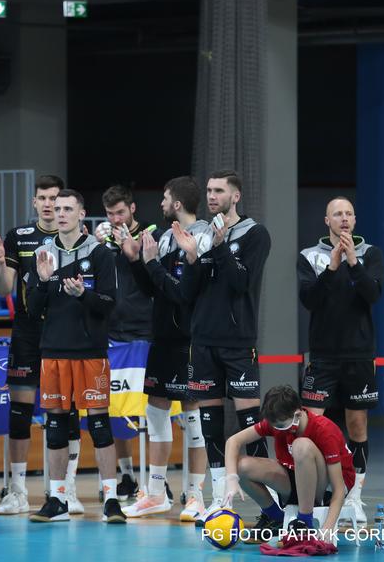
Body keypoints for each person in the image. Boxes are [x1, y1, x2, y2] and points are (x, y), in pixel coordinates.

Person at [173, 168, 271, 523]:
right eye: (209, 191)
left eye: (219, 191)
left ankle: (273, 505)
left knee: (252, 423)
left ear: (235, 196)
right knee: (210, 425)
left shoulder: (255, 234)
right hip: (203, 343)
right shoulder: (201, 235)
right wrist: (191, 257)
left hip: (238, 343)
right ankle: (219, 499)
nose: (212, 196)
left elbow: (241, 282)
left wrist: (219, 248)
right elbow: (187, 294)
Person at [25, 189, 126, 524]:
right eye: (57, 208)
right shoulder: (42, 254)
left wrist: (84, 294)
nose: (61, 213)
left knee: (99, 426)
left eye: (68, 208)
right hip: (53, 351)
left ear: (82, 214)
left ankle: (111, 500)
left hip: (90, 352)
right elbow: (32, 309)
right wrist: (42, 282)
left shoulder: (99, 253)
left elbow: (110, 304)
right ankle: (57, 499)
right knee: (55, 427)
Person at [0, 175, 85, 515]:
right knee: (20, 413)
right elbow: (5, 288)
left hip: (64, 335)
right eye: (42, 198)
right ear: (34, 202)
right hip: (27, 334)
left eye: (54, 199)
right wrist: (0, 264)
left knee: (67, 413)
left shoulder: (78, 239)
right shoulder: (19, 236)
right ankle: (17, 491)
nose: (48, 204)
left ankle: (67, 490)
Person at [117, 176, 211, 521]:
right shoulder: (166, 236)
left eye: (165, 198)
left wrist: (153, 263)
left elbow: (182, 293)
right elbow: (154, 290)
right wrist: (136, 261)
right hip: (163, 337)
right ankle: (156, 493)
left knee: (192, 417)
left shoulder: (201, 236)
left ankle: (195, 495)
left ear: (177, 203)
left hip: (190, 340)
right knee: (155, 411)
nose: (160, 203)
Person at [297, 196, 384, 524]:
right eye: (337, 214)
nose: (344, 218)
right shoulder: (309, 256)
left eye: (349, 213)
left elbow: (373, 294)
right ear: (327, 221)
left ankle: (354, 497)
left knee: (357, 425)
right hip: (322, 356)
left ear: (355, 220)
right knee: (311, 426)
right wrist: (333, 267)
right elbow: (310, 299)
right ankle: (315, 497)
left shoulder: (371, 253)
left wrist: (353, 262)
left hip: (359, 354)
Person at [223, 385, 355, 542]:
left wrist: (328, 527)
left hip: (327, 489)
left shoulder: (324, 430)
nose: (277, 430)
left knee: (301, 445)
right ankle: (275, 518)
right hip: (297, 479)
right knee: (240, 466)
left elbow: (339, 490)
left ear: (297, 415)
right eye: (274, 426)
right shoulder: (280, 422)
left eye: (280, 426)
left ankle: (304, 523)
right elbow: (233, 441)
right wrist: (231, 478)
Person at [94, 184, 157, 501]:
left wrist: (133, 251)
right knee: (116, 408)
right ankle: (128, 475)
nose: (116, 218)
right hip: (112, 333)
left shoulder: (151, 235)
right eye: (110, 213)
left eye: (120, 212)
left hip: (144, 332)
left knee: (151, 411)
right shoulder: (104, 241)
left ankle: (156, 480)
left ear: (132, 209)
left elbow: (155, 279)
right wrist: (98, 246)